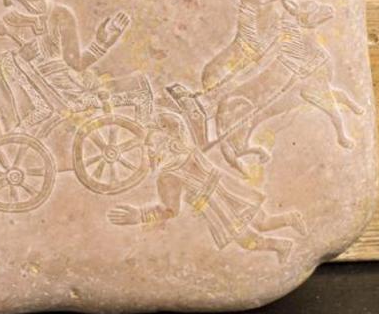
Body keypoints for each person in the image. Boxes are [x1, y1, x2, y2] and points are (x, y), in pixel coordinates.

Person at [107, 112, 306, 263]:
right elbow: (172, 209)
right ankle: (285, 235)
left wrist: (141, 215)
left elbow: (170, 210)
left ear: (167, 142)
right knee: (258, 227)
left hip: (219, 202)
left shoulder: (171, 173)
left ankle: (286, 233)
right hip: (224, 195)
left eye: (152, 144)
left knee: (252, 236)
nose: (149, 150)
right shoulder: (185, 155)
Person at [0, 0, 130, 128]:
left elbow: (76, 64)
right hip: (41, 102)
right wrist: (20, 59)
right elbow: (4, 85)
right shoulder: (1, 33)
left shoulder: (61, 15)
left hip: (73, 89)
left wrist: (102, 43)